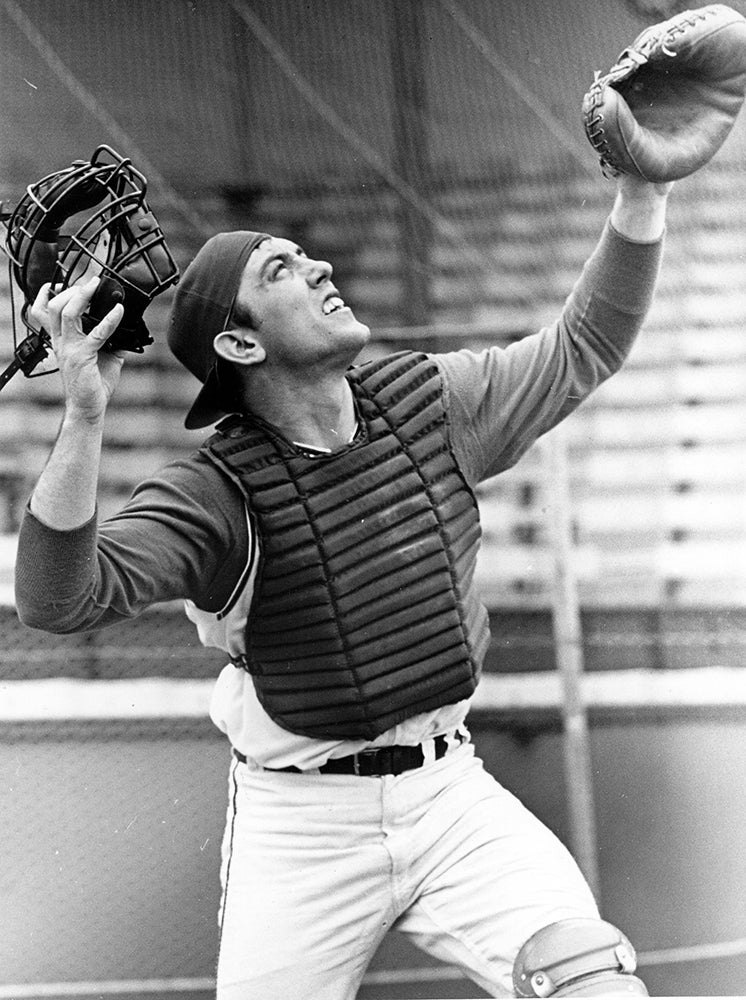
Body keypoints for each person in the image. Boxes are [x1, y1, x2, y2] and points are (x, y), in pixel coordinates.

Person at [14, 172, 670, 999]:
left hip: (450, 798)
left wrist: (641, 194)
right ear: (241, 346)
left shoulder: (433, 405)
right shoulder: (214, 495)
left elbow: (584, 346)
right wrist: (83, 415)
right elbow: (57, 601)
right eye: (281, 270)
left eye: (304, 254)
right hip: (301, 828)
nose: (320, 266)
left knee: (590, 978)